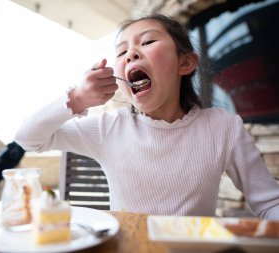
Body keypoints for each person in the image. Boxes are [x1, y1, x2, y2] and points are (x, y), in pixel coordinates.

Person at [15, 14, 279, 220]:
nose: (131, 53)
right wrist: (76, 99)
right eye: (121, 52)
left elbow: (269, 203)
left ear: (185, 63)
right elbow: (28, 138)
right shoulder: (110, 128)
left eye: (148, 41)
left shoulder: (223, 127)